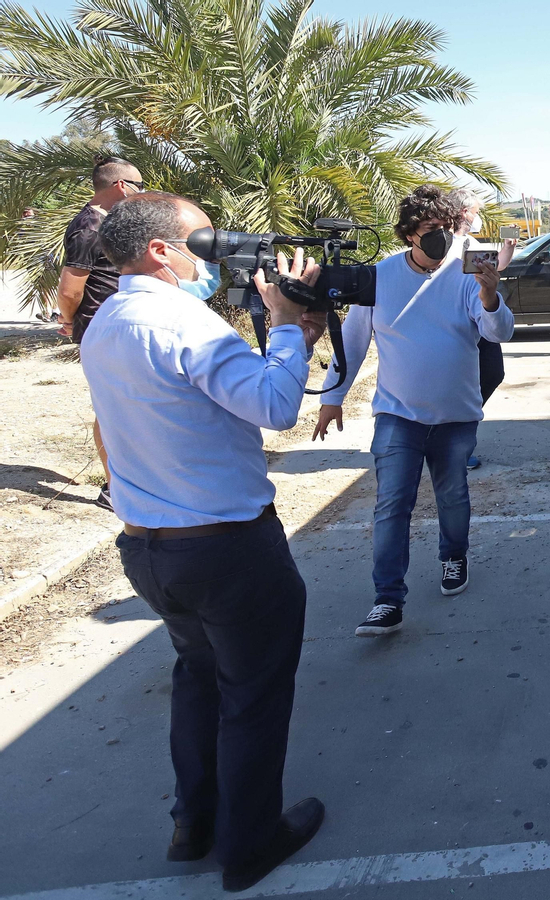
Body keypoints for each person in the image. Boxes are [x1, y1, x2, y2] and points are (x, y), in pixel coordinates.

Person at [79, 191, 327, 892]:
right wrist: (282, 324)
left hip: (150, 550)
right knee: (251, 693)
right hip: (226, 549)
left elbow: (205, 402)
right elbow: (275, 408)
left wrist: (288, 339)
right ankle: (249, 845)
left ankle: (195, 821)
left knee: (199, 678)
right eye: (203, 241)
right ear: (161, 250)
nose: (214, 256)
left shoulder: (105, 322)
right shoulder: (182, 322)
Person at [313, 185, 513, 637]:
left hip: (455, 417)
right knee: (391, 505)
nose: (440, 239)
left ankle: (453, 556)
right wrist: (331, 396)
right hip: (398, 414)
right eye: (429, 231)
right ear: (408, 235)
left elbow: (498, 333)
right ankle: (387, 600)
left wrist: (489, 296)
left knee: (453, 495)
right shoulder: (379, 278)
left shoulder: (467, 275)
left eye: (446, 229)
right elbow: (352, 343)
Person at [59, 156, 143, 512]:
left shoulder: (111, 223)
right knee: (111, 408)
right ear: (120, 186)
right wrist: (66, 321)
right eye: (139, 185)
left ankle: (131, 480)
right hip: (101, 327)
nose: (143, 192)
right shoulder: (88, 227)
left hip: (122, 324)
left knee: (130, 403)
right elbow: (69, 289)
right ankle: (114, 488)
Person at [446, 190, 517, 471]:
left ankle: (459, 436)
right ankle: (456, 447)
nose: (477, 217)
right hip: (458, 325)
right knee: (463, 384)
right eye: (476, 212)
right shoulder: (443, 243)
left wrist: (508, 248)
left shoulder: (471, 242)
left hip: (482, 319)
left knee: (492, 373)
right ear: (464, 212)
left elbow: (491, 268)